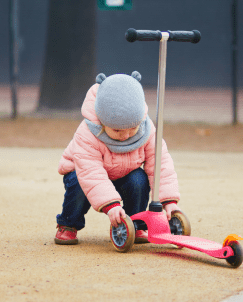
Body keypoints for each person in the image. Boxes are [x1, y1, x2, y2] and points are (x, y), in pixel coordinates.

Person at [55, 71, 181, 245]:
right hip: (85, 175)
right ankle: (68, 224)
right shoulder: (88, 133)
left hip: (124, 174)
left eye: (132, 129)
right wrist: (111, 205)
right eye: (117, 131)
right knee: (77, 182)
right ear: (102, 120)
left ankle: (136, 225)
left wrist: (169, 201)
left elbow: (160, 163)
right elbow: (91, 173)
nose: (125, 136)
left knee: (139, 179)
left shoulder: (147, 129)